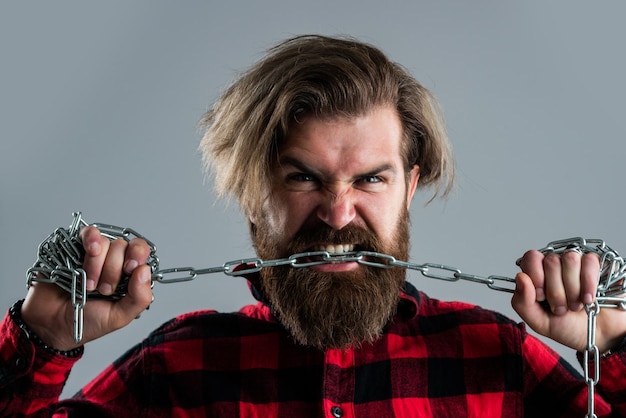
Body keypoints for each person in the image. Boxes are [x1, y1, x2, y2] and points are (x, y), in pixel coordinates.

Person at [1, 34, 625, 417]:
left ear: (409, 188)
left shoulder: (497, 361)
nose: (337, 213)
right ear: (252, 196)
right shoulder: (176, 369)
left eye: (371, 180)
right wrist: (42, 337)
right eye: (303, 178)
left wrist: (617, 344)